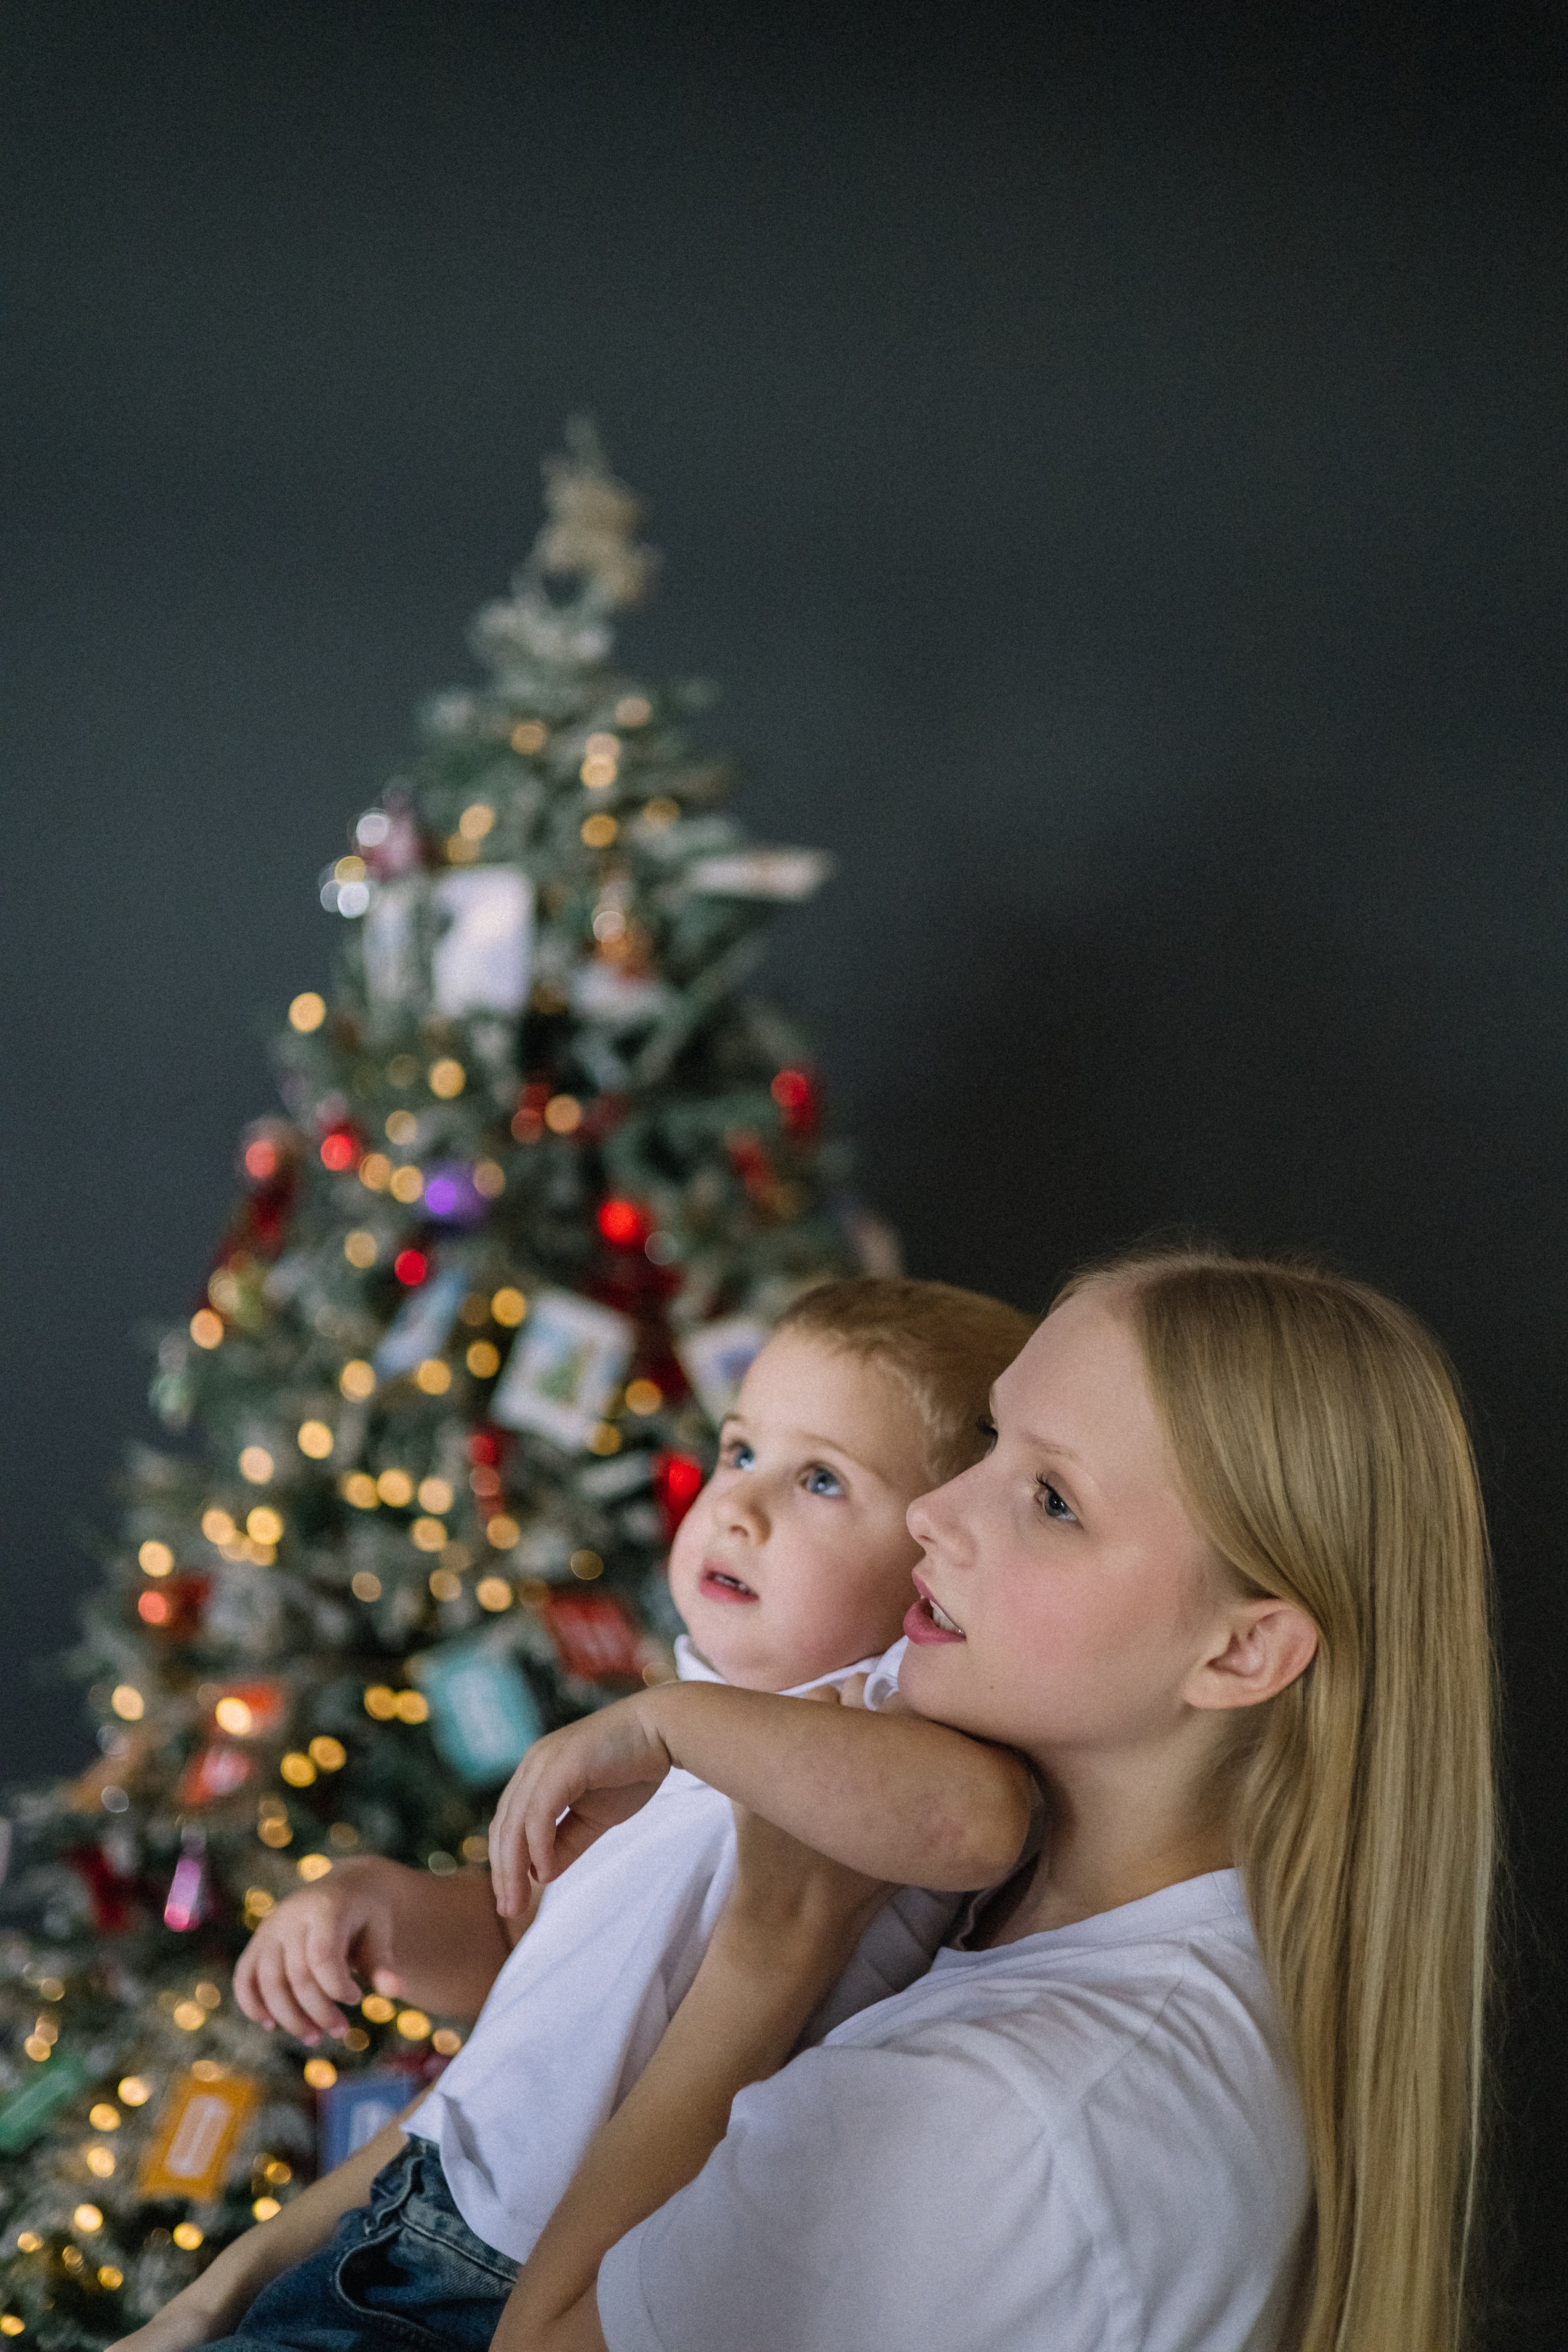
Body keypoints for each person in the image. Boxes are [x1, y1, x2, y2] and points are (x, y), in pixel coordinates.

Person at [483, 1248, 1497, 2352]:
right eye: (991, 1442)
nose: (933, 1511)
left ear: (1242, 1652)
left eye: (1053, 1500)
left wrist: (773, 1944)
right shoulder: (1016, 1901)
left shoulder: (997, 2112)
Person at [110, 1277, 1038, 2352]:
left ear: (938, 1557)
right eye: (740, 1451)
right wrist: (382, 1907)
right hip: (411, 2215)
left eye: (822, 1479)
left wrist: (666, 1722)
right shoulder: (687, 1738)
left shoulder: (879, 1720)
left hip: (507, 2290)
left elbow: (979, 1818)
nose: (737, 1507)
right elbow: (528, 1959)